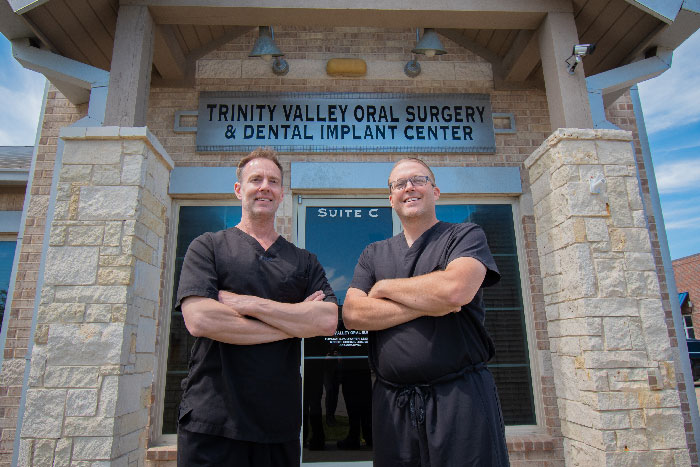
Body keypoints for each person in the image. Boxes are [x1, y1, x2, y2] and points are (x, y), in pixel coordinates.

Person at [176, 147, 338, 467]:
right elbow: (200, 319)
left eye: (273, 181)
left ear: (281, 194)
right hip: (212, 422)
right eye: (256, 179)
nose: (265, 186)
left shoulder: (303, 261)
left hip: (277, 427)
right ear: (239, 190)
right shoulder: (207, 246)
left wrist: (249, 304)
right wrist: (292, 322)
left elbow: (327, 320)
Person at [342, 158, 509, 466]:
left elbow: (454, 290)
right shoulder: (373, 254)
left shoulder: (464, 236)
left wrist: (384, 288)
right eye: (399, 184)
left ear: (436, 191)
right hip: (393, 407)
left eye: (418, 180)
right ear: (391, 199)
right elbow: (353, 313)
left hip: (460, 401)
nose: (409, 188)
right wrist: (432, 303)